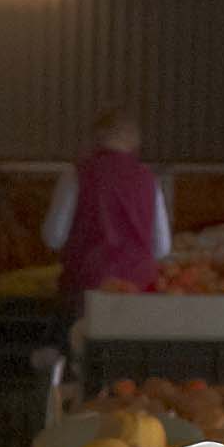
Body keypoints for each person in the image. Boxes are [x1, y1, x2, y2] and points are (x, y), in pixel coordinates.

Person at [51, 107, 167, 308]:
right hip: (138, 290)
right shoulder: (149, 179)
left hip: (87, 288)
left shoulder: (76, 174)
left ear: (96, 137)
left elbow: (53, 236)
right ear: (133, 140)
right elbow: (162, 247)